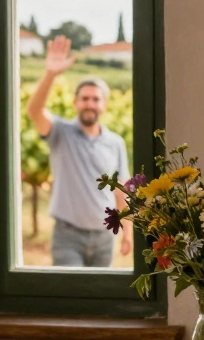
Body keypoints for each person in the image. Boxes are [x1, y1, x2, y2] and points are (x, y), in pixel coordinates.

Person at [25, 35, 131, 267]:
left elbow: (122, 190)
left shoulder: (115, 142)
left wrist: (128, 233)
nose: (89, 103)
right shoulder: (60, 133)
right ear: (75, 103)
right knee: (71, 298)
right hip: (68, 236)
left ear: (104, 105)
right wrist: (51, 74)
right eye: (84, 98)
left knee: (99, 301)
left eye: (95, 99)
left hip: (105, 237)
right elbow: (34, 111)